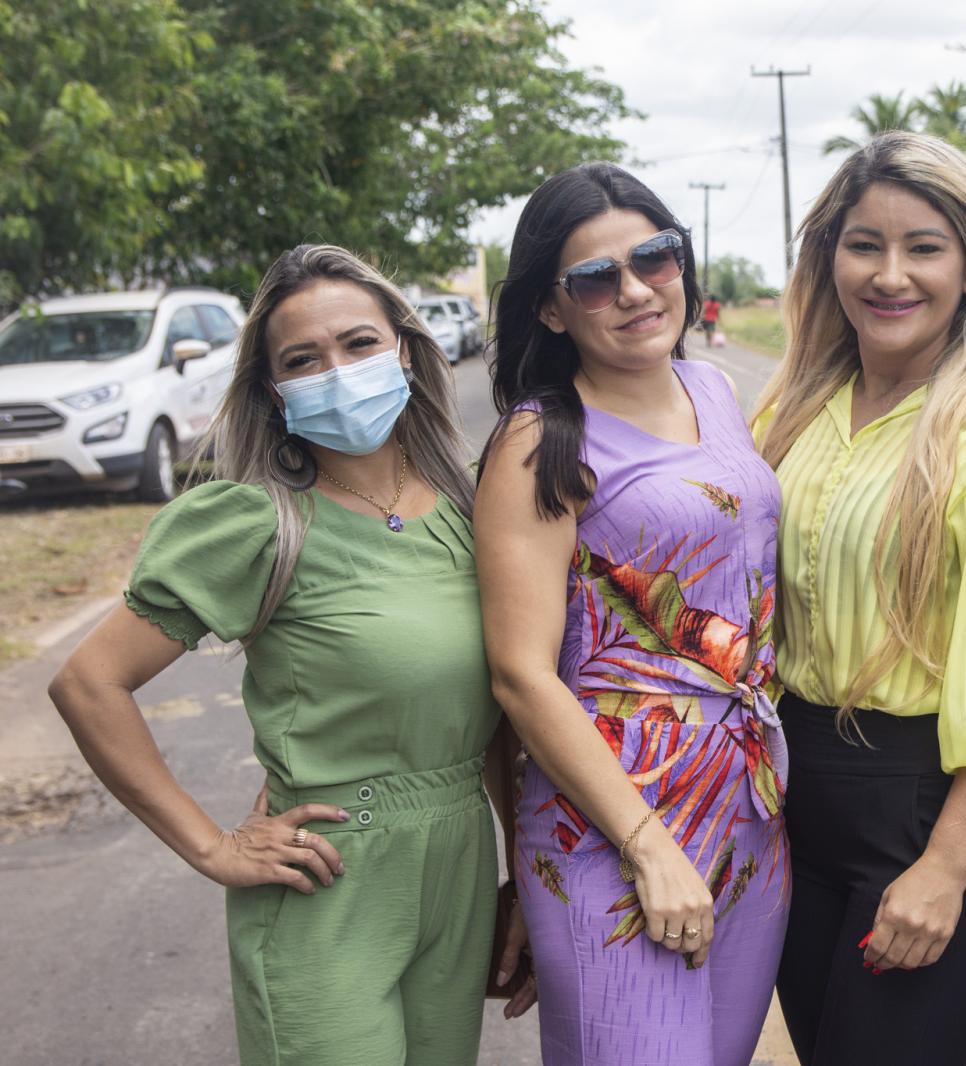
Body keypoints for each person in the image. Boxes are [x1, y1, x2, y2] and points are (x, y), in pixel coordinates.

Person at [47, 244, 533, 1065]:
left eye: (359, 344)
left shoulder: (465, 508)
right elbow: (88, 681)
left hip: (459, 870)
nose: (336, 370)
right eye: (303, 359)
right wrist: (211, 846)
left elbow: (496, 711)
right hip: (329, 879)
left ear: (407, 355)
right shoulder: (260, 524)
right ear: (275, 391)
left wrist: (523, 875)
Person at [752, 130, 966, 1066]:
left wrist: (944, 869)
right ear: (829, 258)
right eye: (865, 244)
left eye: (925, 247)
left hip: (924, 812)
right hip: (796, 799)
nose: (890, 274)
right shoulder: (791, 413)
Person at [475, 162, 788, 1066]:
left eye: (655, 258)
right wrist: (648, 847)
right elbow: (519, 674)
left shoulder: (717, 391)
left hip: (751, 817)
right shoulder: (539, 440)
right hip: (611, 830)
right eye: (594, 279)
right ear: (549, 308)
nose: (635, 290)